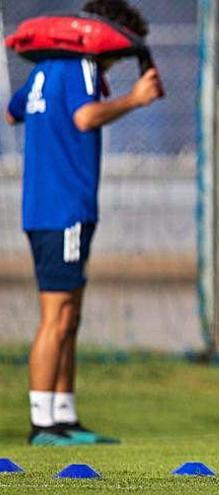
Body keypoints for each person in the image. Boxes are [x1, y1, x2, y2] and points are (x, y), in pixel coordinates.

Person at [5, 0, 162, 446]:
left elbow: (14, 112)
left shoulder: (46, 68)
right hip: (65, 207)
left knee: (68, 315)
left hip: (43, 207)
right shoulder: (84, 66)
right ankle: (42, 424)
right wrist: (135, 98)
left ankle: (62, 416)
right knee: (57, 315)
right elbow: (84, 117)